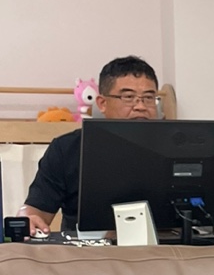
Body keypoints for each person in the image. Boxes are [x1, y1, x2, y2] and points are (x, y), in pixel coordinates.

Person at [19, 55, 160, 235]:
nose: (141, 106)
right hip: (87, 252)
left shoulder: (176, 146)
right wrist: (27, 217)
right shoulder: (66, 148)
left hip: (163, 249)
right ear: (102, 103)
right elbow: (35, 210)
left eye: (149, 98)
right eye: (128, 97)